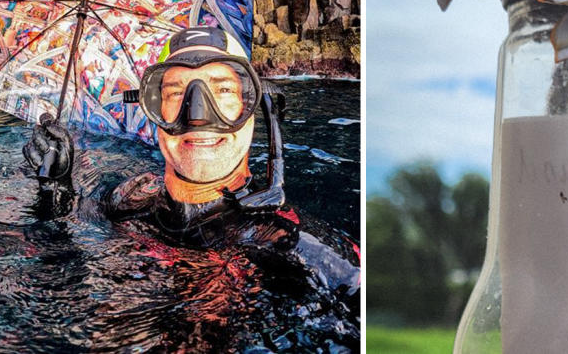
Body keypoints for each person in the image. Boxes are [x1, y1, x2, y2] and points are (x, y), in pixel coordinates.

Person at [23, 26, 359, 349]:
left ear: (256, 106)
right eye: (173, 92)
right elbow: (58, 248)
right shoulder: (131, 197)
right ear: (152, 108)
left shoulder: (296, 248)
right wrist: (55, 191)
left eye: (223, 90)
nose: (197, 114)